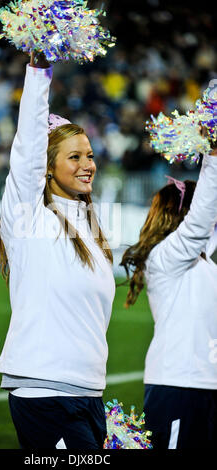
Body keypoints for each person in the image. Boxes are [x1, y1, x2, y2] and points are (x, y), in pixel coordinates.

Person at [0, 52, 115, 450]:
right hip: (45, 393)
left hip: (88, 392)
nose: (88, 165)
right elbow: (28, 149)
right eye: (75, 157)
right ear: (47, 167)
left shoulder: (90, 225)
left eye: (90, 155)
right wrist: (39, 70)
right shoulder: (28, 216)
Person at [120, 143, 217, 449]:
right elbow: (201, 221)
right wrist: (213, 154)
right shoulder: (166, 257)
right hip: (179, 386)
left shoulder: (206, 264)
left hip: (206, 385)